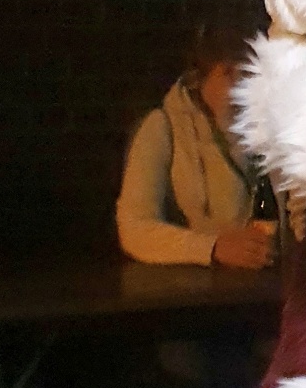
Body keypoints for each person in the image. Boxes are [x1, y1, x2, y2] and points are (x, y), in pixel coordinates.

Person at [116, 25, 278, 269]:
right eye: (228, 73)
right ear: (200, 77)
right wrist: (213, 248)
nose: (241, 86)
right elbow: (134, 228)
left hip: (264, 284)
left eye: (250, 74)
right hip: (189, 287)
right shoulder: (163, 127)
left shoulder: (271, 128)